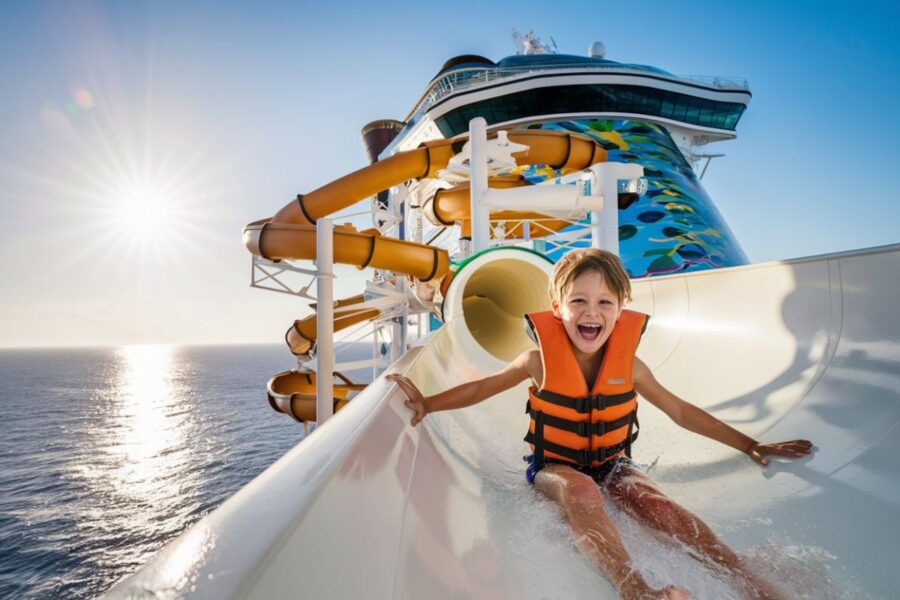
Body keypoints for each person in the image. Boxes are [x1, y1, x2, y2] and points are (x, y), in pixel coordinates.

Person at [387, 248, 813, 600]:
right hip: (555, 467)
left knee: (655, 502)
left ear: (620, 309)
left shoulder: (631, 366)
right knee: (581, 489)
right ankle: (637, 591)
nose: (592, 313)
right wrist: (428, 401)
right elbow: (484, 388)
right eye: (579, 301)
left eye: (604, 302)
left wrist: (750, 444)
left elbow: (680, 411)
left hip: (613, 462)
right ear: (557, 308)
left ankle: (748, 582)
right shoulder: (537, 360)